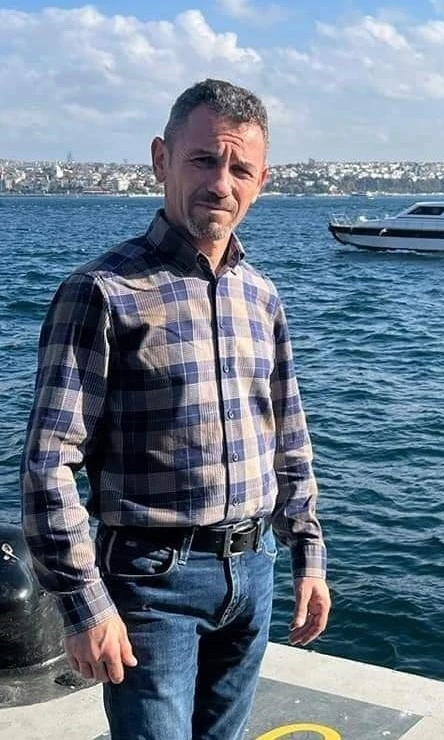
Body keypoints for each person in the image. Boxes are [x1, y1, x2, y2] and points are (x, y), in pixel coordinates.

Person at [20, 78, 331, 740]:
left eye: (240, 169)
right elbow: (48, 464)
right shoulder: (102, 293)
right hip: (152, 584)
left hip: (254, 571)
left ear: (261, 181)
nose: (221, 183)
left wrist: (307, 554)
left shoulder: (260, 297)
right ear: (161, 160)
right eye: (203, 160)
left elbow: (289, 437)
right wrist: (84, 605)